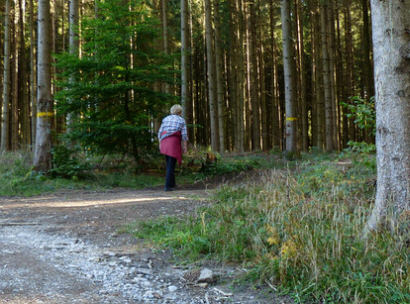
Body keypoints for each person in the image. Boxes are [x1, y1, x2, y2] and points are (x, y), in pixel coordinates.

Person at [158, 104, 188, 191]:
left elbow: (160, 132)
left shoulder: (165, 119)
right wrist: (185, 146)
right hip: (173, 143)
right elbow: (184, 135)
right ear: (179, 112)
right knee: (171, 164)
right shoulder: (181, 120)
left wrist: (160, 144)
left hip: (165, 142)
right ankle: (168, 186)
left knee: (169, 163)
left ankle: (172, 184)